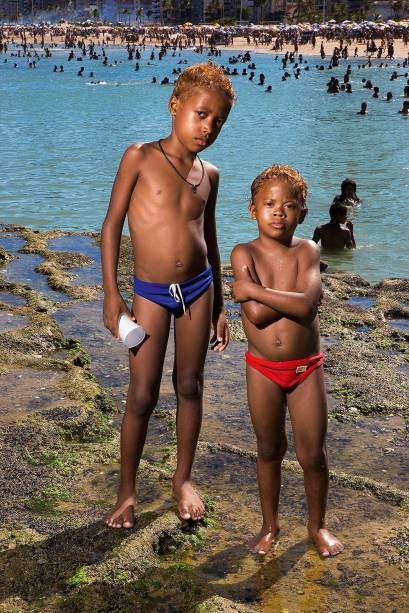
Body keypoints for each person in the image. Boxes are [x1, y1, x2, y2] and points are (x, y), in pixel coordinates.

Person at [101, 62, 234, 529]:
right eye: (201, 114)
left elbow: (210, 241)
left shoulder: (210, 175)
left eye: (218, 121)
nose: (208, 127)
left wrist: (220, 304)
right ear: (174, 106)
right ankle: (127, 490)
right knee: (141, 394)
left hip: (199, 290)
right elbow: (111, 226)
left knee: (190, 385)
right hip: (151, 294)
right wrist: (111, 296)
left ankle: (182, 479)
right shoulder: (138, 157)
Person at [230, 165, 343, 558]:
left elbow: (307, 303)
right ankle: (269, 525)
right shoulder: (243, 252)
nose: (278, 212)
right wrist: (284, 299)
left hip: (306, 367)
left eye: (289, 206)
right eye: (269, 204)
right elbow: (258, 318)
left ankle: (318, 525)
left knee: (312, 454)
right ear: (252, 209)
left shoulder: (308, 251)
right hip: (262, 369)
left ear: (303, 214)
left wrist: (252, 289)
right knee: (268, 449)